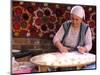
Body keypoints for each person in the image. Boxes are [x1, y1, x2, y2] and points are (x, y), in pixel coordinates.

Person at [53, 5, 96, 70]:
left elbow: (89, 44)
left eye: (77, 19)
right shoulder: (66, 25)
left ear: (81, 19)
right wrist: (61, 47)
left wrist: (84, 49)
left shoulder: (86, 28)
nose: (74, 22)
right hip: (65, 52)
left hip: (78, 53)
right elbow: (56, 38)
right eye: (72, 18)